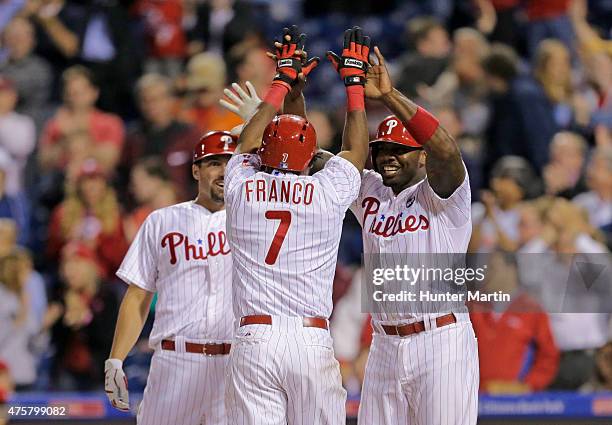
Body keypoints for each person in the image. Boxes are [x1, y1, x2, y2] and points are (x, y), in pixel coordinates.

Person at [223, 25, 369, 424]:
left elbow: (245, 145)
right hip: (310, 337)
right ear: (311, 159)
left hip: (256, 337)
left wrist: (283, 83)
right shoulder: (324, 191)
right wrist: (354, 85)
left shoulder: (243, 184)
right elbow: (355, 151)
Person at [348, 45, 479, 424]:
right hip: (384, 344)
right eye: (381, 149)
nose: (387, 155)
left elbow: (447, 150)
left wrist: (389, 95)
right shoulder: (369, 189)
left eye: (399, 149)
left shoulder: (444, 194)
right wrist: (352, 93)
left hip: (441, 340)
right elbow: (336, 159)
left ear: (421, 155)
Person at [104, 131, 237, 424]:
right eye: (214, 163)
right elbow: (138, 296)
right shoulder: (161, 221)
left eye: (231, 162)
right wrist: (116, 359)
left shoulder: (253, 220)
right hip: (176, 360)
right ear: (195, 170)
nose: (224, 171)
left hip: (236, 364)